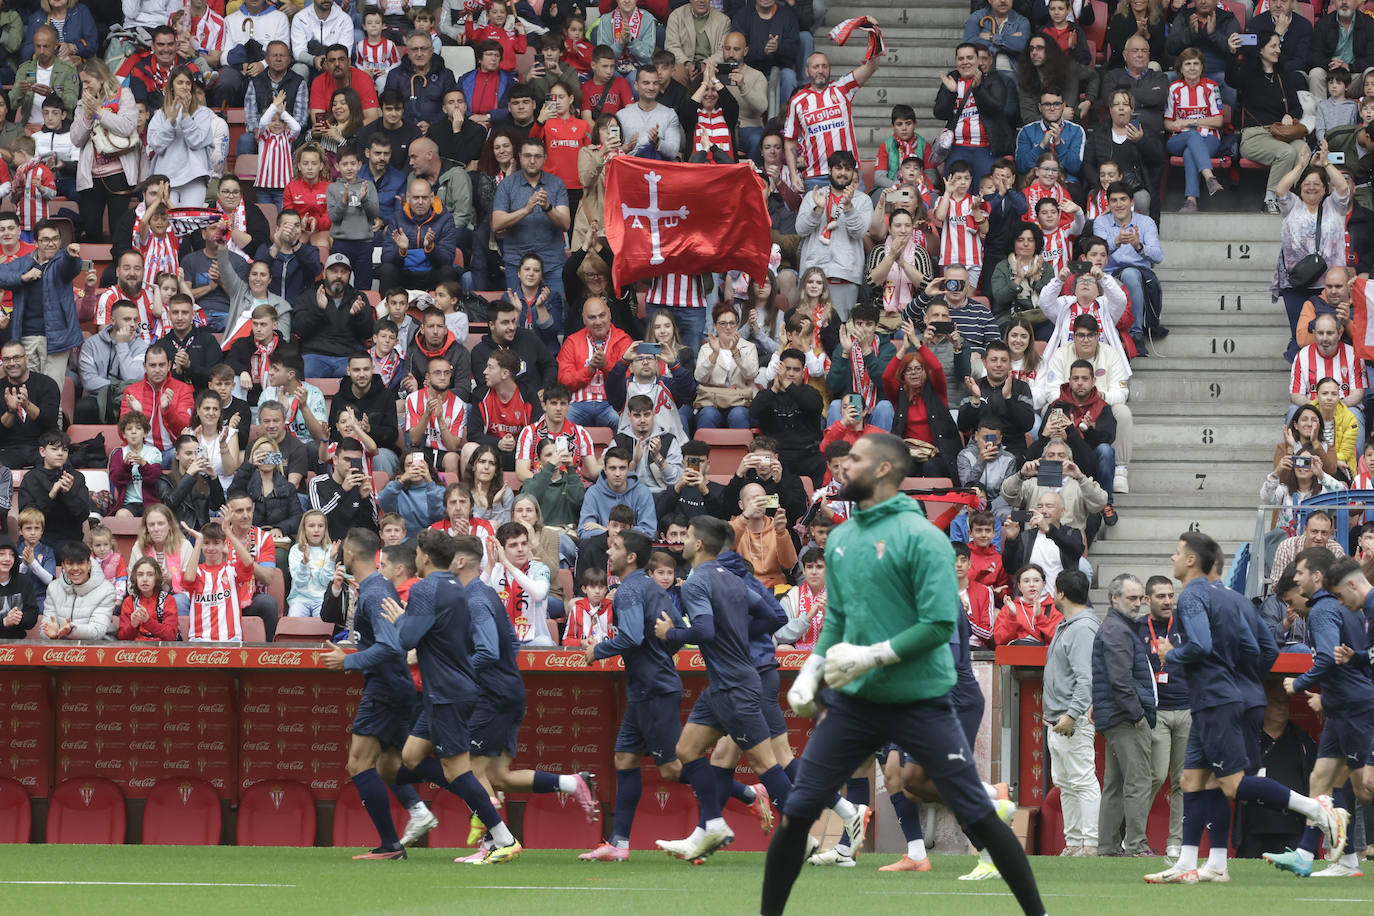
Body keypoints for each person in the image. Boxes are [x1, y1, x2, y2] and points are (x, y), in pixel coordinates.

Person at [761, 433, 1043, 914]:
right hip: (854, 706)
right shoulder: (844, 537)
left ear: (885, 471)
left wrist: (870, 657)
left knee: (976, 813)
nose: (843, 466)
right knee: (797, 813)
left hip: (921, 702)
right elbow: (839, 620)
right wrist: (812, 666)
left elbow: (936, 626)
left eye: (855, 459)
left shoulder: (924, 539)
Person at [1145, 531, 1345, 884]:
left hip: (1215, 700)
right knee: (1193, 779)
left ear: (1193, 560)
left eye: (1177, 553)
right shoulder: (1237, 599)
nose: (1173, 559)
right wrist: (1243, 679)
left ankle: (1316, 808)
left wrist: (1169, 655)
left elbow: (1201, 646)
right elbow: (1269, 650)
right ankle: (1206, 863)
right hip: (1228, 697)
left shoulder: (1192, 595)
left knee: (1234, 784)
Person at [371, 529, 526, 863]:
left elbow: (407, 640)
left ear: (425, 557)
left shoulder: (427, 588)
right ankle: (480, 801)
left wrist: (401, 621)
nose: (414, 558)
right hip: (447, 690)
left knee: (457, 771)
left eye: (417, 554)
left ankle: (502, 836)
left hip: (448, 693)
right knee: (411, 756)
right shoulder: (457, 587)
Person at [1093, 573, 1156, 857]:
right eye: (1132, 598)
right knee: (1138, 782)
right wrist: (1137, 715)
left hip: (1117, 716)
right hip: (1126, 718)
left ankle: (1108, 846)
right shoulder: (1118, 630)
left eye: (1141, 598)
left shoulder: (1116, 627)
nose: (1138, 604)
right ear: (1114, 598)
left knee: (1116, 785)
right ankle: (1137, 846)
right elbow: (1121, 680)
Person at [1275, 147, 1351, 346]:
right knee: (1300, 336)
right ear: (1300, 189)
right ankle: (1301, 373)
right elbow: (1281, 190)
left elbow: (1343, 188)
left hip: (1328, 285)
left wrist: (1326, 164)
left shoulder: (1334, 206)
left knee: (1332, 335)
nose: (1311, 187)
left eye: (1317, 184)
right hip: (1296, 283)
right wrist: (1300, 166)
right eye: (1306, 184)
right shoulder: (1292, 205)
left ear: (1325, 189)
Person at [1228, 30, 1308, 216]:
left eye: (1279, 46)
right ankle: (1270, 199)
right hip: (1255, 135)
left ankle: (1288, 195)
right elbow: (1231, 78)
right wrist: (1231, 53)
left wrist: (1289, 115)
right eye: (1273, 46)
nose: (1277, 50)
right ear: (1260, 50)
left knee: (1303, 151)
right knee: (1286, 153)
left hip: (1281, 133)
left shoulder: (1283, 77)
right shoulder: (1248, 74)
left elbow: (1298, 109)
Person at [1139, 575, 1191, 858]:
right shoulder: (1138, 629)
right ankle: (1135, 837)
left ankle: (1175, 841)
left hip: (1186, 708)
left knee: (1183, 780)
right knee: (1155, 776)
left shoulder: (1186, 626)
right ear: (1147, 600)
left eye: (1170, 595)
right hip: (1156, 711)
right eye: (1160, 596)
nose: (1168, 601)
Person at [0, 221, 81, 391]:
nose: (51, 243)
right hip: (27, 337)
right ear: (35, 243)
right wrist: (22, 278)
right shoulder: (24, 263)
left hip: (57, 339)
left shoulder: (62, 260)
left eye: (55, 239)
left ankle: (55, 420)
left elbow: (71, 267)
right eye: (45, 240)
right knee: (28, 394)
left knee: (53, 394)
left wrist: (71, 255)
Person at [795, 151, 872, 321]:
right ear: (829, 170)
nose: (843, 173)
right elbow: (800, 229)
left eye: (847, 169)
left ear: (854, 173)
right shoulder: (813, 196)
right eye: (838, 168)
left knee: (840, 327)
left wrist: (849, 207)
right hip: (812, 274)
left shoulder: (862, 200)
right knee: (807, 324)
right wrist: (818, 211)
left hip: (845, 274)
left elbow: (859, 232)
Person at [492, 137, 570, 302]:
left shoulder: (556, 184)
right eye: (527, 156)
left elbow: (565, 223)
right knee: (516, 316)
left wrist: (547, 207)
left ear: (545, 158)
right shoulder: (507, 185)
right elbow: (496, 223)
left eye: (537, 156)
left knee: (557, 314)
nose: (532, 160)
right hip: (517, 263)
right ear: (519, 157)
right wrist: (526, 210)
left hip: (552, 262)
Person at [1165, 47, 1225, 214]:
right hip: (1178, 139)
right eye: (1188, 64)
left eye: (1196, 63)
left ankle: (1191, 201)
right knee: (1192, 135)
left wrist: (1188, 122)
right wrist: (1178, 126)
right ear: (1181, 68)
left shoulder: (1211, 87)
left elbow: (1219, 121)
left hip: (1209, 139)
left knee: (1190, 152)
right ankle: (1209, 177)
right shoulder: (1173, 89)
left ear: (1202, 67)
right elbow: (1168, 123)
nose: (1192, 67)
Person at [145, 67, 216, 207]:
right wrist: (170, 120)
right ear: (172, 86)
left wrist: (185, 116)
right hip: (165, 177)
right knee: (164, 224)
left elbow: (196, 141)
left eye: (188, 83)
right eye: (180, 82)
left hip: (193, 177)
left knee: (191, 224)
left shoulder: (202, 113)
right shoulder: (161, 114)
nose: (184, 86)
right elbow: (156, 144)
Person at [295, 253, 373, 378]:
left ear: (349, 275)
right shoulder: (309, 296)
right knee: (308, 374)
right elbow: (300, 330)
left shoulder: (358, 298)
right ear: (325, 273)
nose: (339, 276)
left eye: (344, 272)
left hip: (348, 355)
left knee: (360, 378)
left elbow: (367, 333)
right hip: (315, 355)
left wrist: (356, 316)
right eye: (334, 271)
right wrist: (319, 310)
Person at [378, 178, 459, 293]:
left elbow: (448, 259)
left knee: (447, 271)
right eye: (416, 197)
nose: (420, 202)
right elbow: (386, 258)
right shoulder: (397, 218)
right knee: (387, 270)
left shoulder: (445, 219)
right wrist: (402, 250)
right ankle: (387, 310)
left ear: (432, 197)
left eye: (424, 198)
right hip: (404, 273)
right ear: (408, 197)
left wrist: (430, 248)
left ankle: (444, 310)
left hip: (432, 273)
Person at [693, 304, 759, 430]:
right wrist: (715, 353)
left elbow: (751, 374)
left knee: (738, 415)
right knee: (707, 415)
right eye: (723, 323)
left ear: (737, 325)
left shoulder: (748, 347)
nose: (728, 327)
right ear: (715, 326)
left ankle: (741, 450)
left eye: (732, 323)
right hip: (711, 401)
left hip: (741, 401)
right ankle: (704, 450)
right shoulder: (706, 348)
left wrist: (735, 351)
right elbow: (699, 377)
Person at [40, 540, 116, 641]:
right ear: (63, 565)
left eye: (80, 563)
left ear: (89, 564)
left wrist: (71, 630)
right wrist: (51, 635)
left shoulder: (106, 590)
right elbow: (46, 626)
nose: (75, 568)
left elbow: (98, 631)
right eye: (70, 563)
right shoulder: (53, 587)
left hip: (98, 648)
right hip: (63, 649)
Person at [579, 446, 656, 539]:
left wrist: (605, 530)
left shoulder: (642, 492)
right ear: (605, 469)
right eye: (612, 468)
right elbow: (584, 532)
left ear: (628, 469)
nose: (617, 474)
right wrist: (623, 533)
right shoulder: (593, 493)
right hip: (602, 546)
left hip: (632, 547)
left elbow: (648, 532)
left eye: (622, 468)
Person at [310, 438, 379, 541]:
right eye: (347, 460)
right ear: (335, 460)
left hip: (357, 546)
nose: (350, 465)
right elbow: (319, 520)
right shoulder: (318, 482)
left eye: (356, 461)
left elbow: (373, 526)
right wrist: (342, 491)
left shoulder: (362, 484)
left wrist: (365, 499)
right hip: (328, 544)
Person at [1305, 0, 1374, 100]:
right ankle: (1319, 113)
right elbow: (1313, 56)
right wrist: (1329, 63)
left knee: (1371, 72)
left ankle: (1370, 111)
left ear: (1356, 2)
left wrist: (1349, 67)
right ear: (1334, 2)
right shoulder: (1323, 24)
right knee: (1316, 73)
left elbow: (1371, 58)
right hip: (1330, 77)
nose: (1344, 2)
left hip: (1354, 77)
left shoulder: (1370, 24)